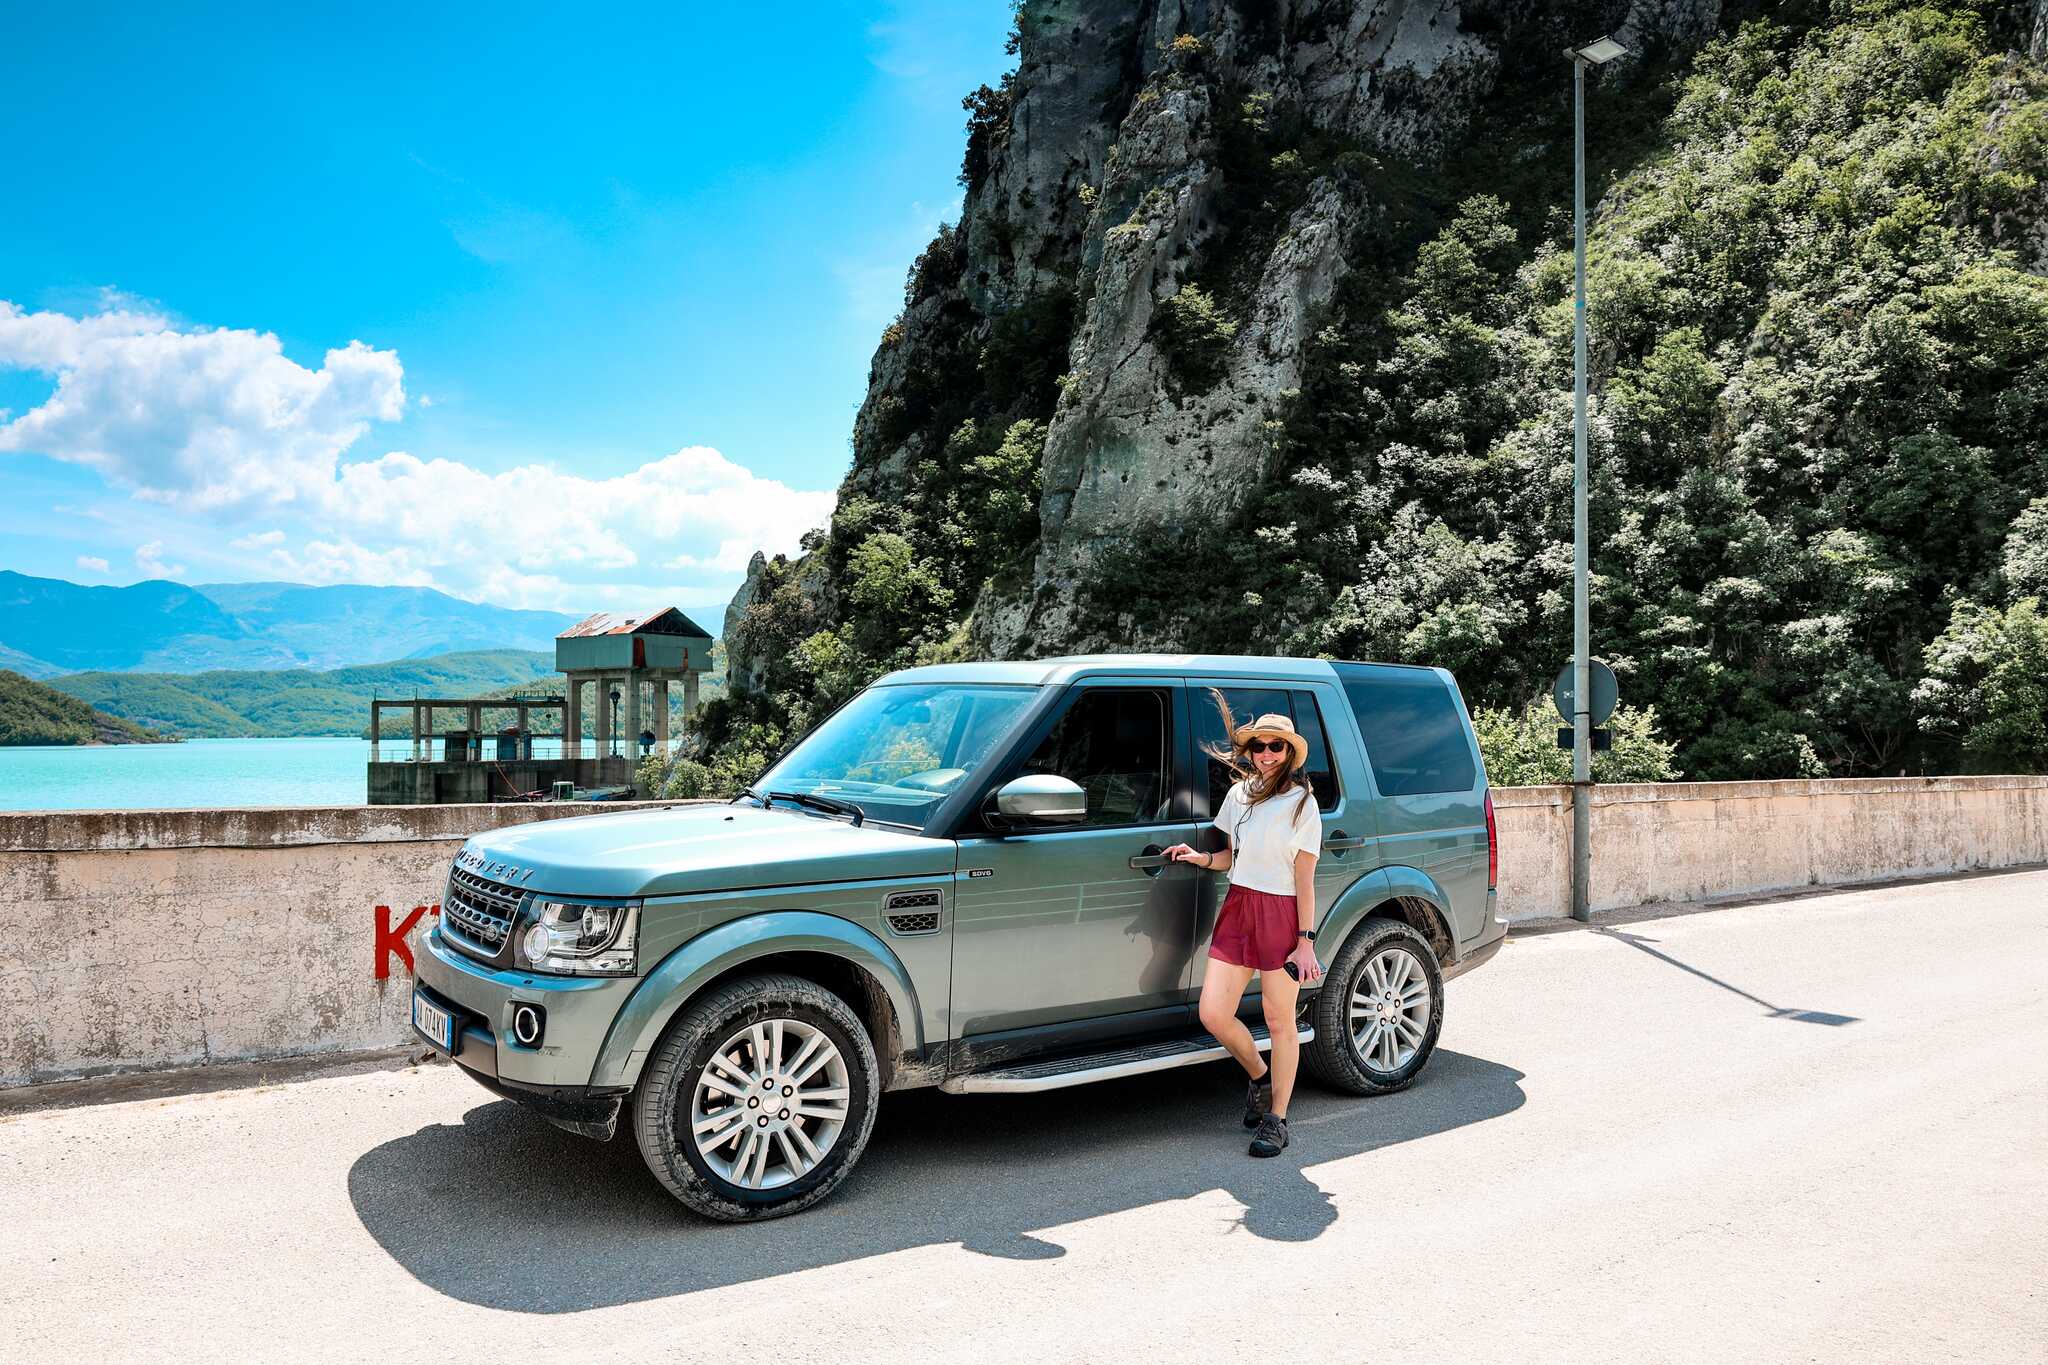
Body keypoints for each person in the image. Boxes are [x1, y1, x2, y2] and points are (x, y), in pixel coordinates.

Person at [1163, 707, 1323, 1158]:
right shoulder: (1238, 796)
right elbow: (1232, 859)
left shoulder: (1302, 806)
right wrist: (1200, 859)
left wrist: (1305, 941)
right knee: (1214, 1013)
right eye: (1259, 746)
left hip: (1282, 914)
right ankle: (1259, 1076)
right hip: (1239, 907)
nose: (1267, 754)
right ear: (1249, 750)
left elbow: (1304, 881)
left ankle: (1277, 1119)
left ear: (1290, 753)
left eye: (1277, 747)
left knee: (1279, 1022)